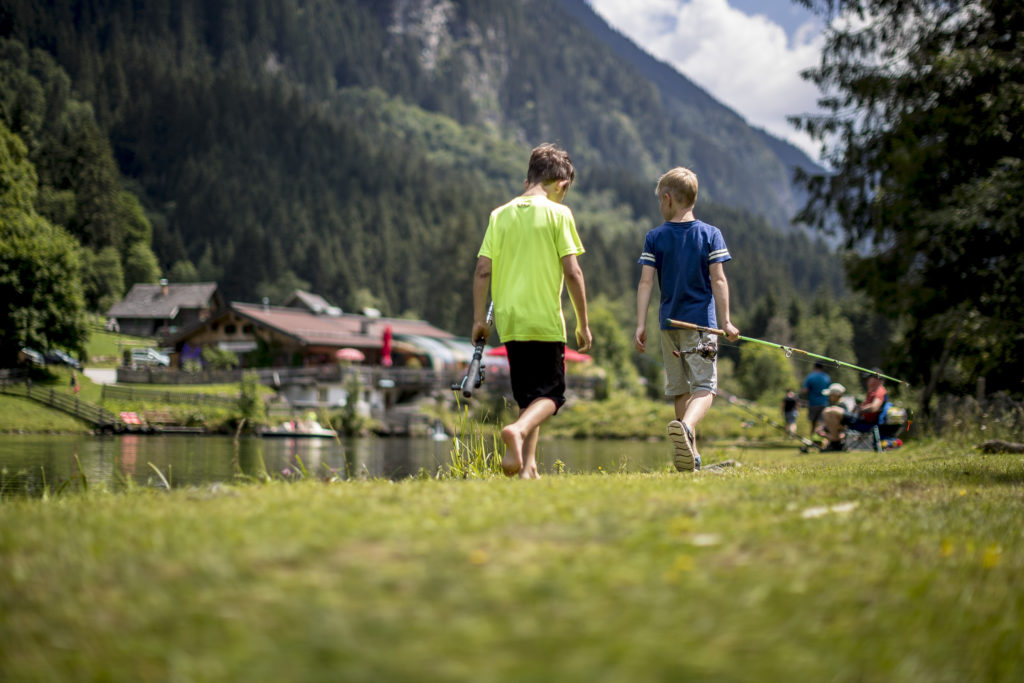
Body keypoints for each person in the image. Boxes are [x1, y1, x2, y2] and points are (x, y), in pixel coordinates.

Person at [471, 143, 592, 479]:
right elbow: (573, 272)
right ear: (562, 184)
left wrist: (480, 320)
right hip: (544, 319)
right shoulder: (559, 213)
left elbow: (482, 270)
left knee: (529, 396)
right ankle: (519, 431)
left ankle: (528, 468)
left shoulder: (500, 214)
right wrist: (583, 323)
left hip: (510, 321)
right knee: (552, 396)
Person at [634, 166, 739, 472]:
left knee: (680, 389)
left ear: (667, 199)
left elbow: (645, 283)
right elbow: (719, 281)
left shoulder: (655, 236)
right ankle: (688, 429)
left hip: (669, 326)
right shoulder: (710, 234)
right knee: (705, 388)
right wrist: (727, 321)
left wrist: (640, 324)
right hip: (702, 326)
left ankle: (690, 456)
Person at [801, 362, 832, 439]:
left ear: (814, 367)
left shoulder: (810, 377)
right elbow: (830, 390)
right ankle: (822, 440)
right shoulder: (827, 377)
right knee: (822, 423)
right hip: (824, 403)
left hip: (813, 403)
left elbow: (805, 390)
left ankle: (813, 439)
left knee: (813, 423)